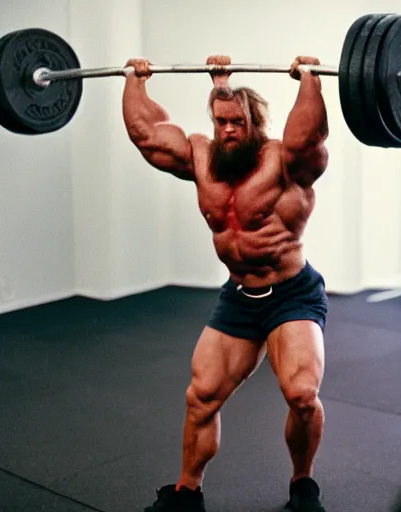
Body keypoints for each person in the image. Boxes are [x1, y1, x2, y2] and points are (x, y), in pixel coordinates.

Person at [122, 53, 330, 512]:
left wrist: (309, 82)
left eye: (238, 121)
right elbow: (146, 135)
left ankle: (303, 486)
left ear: (256, 120)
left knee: (301, 394)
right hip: (239, 295)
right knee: (201, 397)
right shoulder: (201, 155)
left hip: (291, 293)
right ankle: (186, 493)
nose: (229, 129)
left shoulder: (283, 161)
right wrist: (134, 80)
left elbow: (310, 137)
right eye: (221, 121)